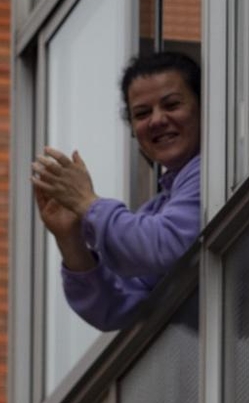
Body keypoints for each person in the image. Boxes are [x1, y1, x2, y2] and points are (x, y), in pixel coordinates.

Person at [31, 51, 201, 332]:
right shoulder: (159, 208)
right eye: (142, 113)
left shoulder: (217, 170)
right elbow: (116, 310)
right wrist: (70, 239)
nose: (157, 120)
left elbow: (165, 244)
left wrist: (87, 203)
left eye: (171, 104)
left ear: (204, 107)